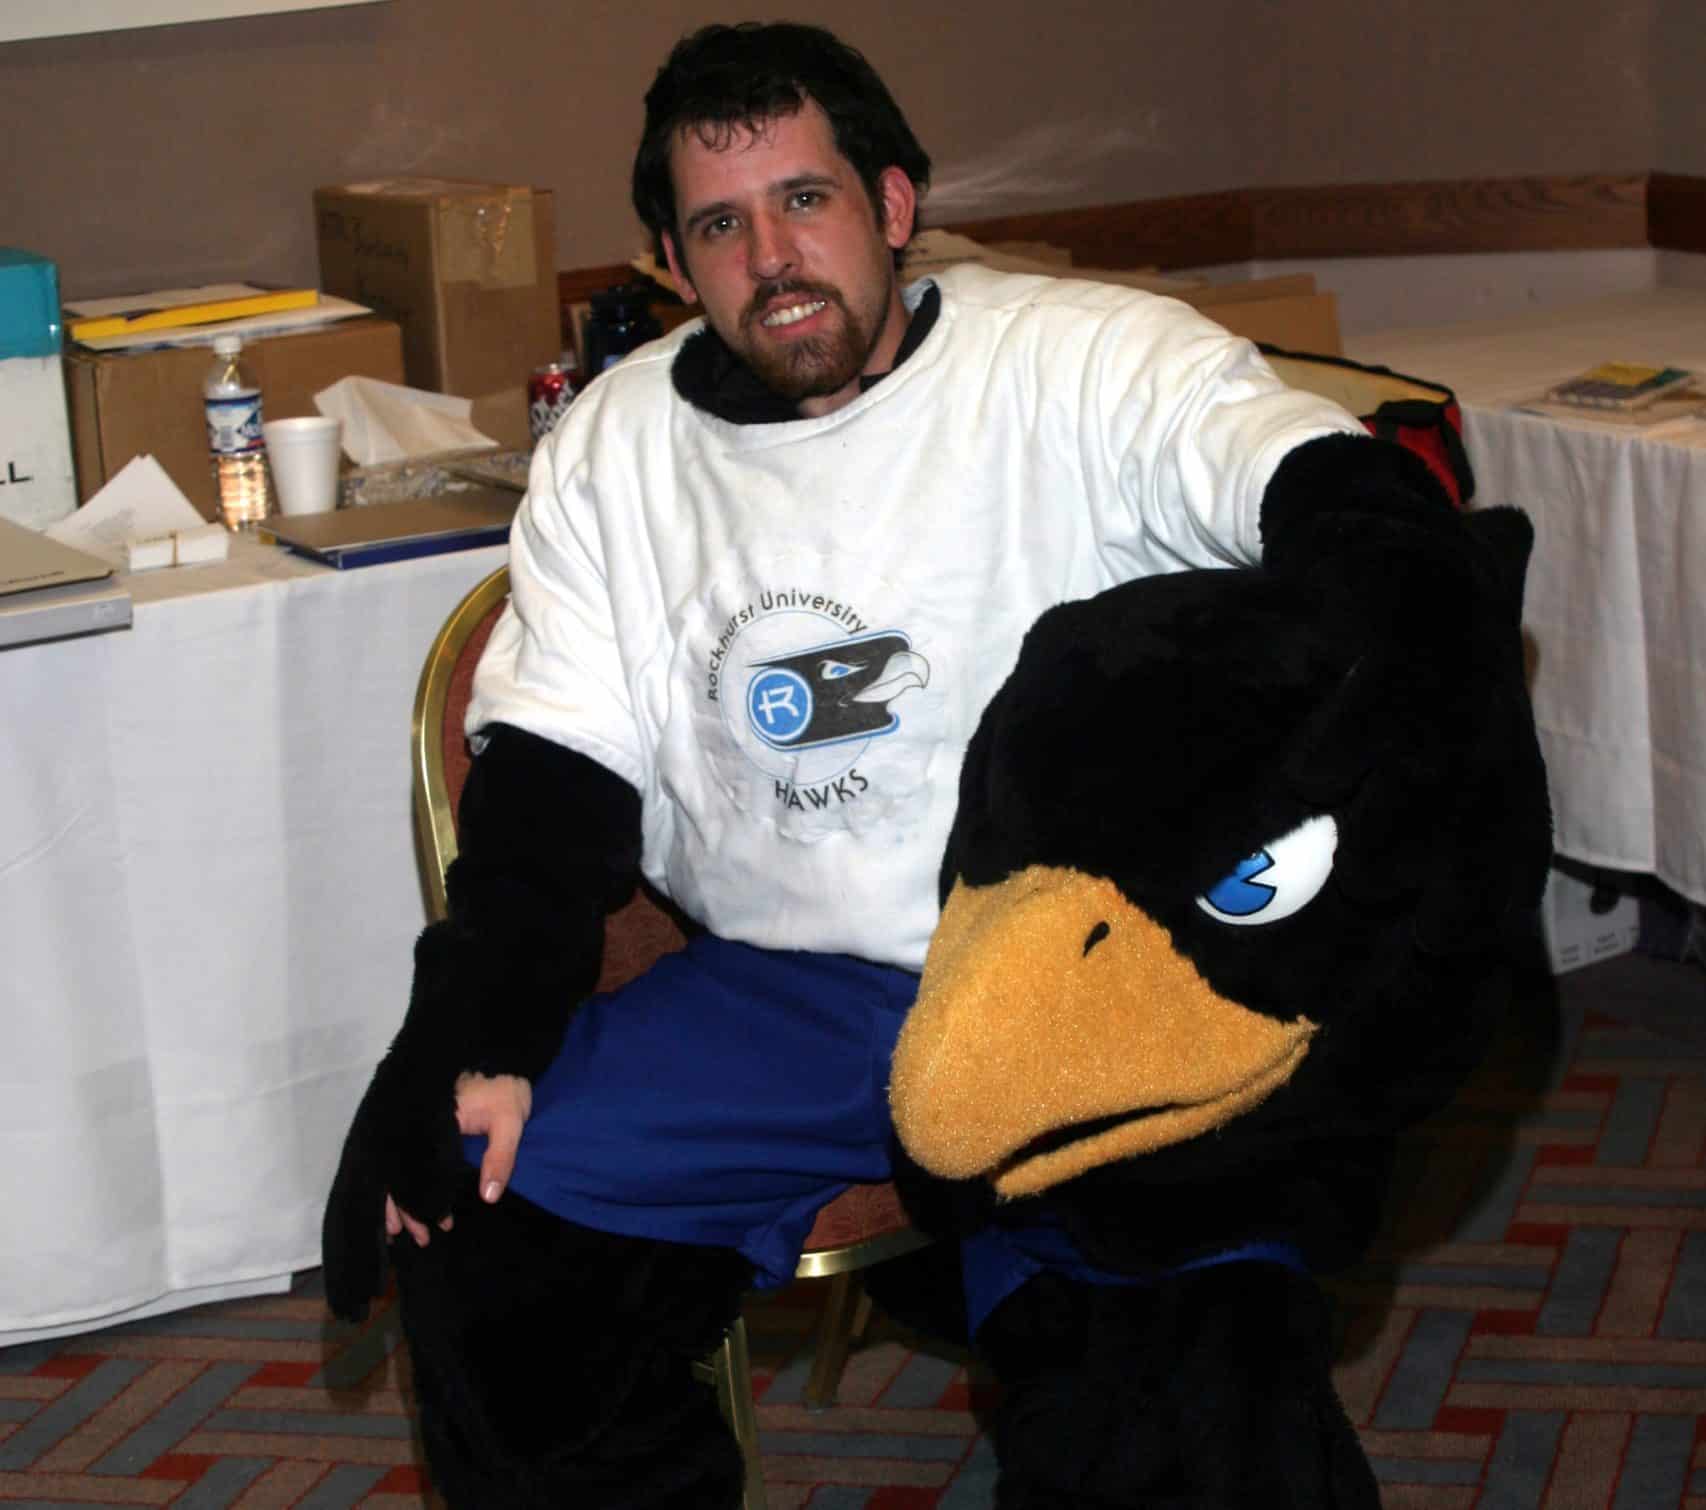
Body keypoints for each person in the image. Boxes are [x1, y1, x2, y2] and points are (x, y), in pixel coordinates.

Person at [322, 20, 1483, 1508]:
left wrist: (1394, 568)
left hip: (1077, 969)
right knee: (489, 1220)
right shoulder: (614, 448)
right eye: (721, 224)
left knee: (1182, 1399)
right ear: (671, 263)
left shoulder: (1072, 358)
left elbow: (1280, 466)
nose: (773, 257)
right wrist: (468, 1029)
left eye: (805, 201)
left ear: (890, 203)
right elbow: (555, 777)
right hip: (790, 986)